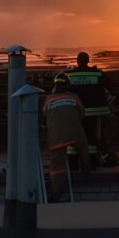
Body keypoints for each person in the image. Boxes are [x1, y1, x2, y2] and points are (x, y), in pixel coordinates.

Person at [43, 72, 91, 202]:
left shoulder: (48, 99)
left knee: (56, 166)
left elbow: (45, 114)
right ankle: (86, 171)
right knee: (83, 148)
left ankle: (56, 194)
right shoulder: (73, 97)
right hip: (75, 131)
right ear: (67, 85)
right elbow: (82, 112)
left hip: (56, 136)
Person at [65, 51, 112, 165]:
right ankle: (92, 161)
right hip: (95, 112)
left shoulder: (69, 75)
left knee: (74, 135)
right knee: (91, 136)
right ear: (88, 61)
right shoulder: (98, 74)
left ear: (77, 61)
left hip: (75, 112)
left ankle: (73, 162)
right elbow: (110, 87)